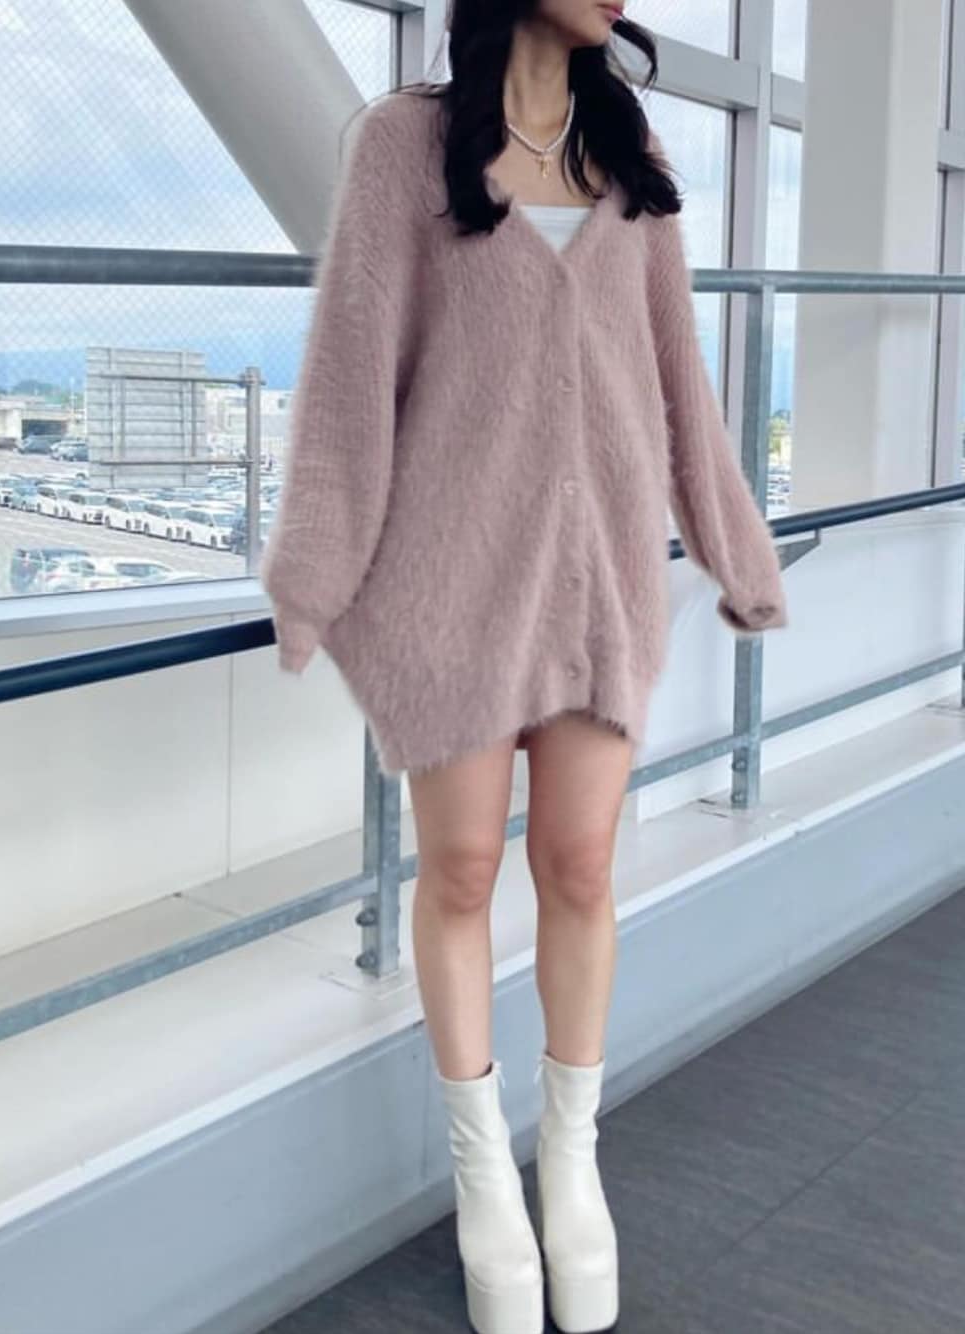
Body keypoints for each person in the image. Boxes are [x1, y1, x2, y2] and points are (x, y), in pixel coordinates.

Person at [260, 4, 789, 1332]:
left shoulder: (630, 157)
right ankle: (482, 1175)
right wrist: (311, 577)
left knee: (581, 864)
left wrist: (736, 550)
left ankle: (571, 1159)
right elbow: (350, 381)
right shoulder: (405, 145)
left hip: (602, 584)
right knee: (459, 874)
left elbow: (679, 384)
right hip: (447, 586)